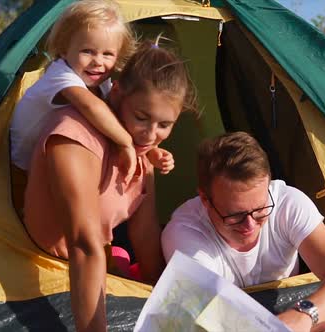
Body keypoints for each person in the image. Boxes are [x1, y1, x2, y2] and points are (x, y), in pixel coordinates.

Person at [22, 40, 195, 332]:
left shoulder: (143, 153)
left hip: (97, 264)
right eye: (141, 117)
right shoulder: (73, 135)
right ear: (116, 93)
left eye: (165, 125)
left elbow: (145, 235)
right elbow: (83, 244)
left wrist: (169, 306)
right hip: (45, 267)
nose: (150, 134)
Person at [161, 132, 325, 332]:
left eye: (261, 209)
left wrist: (305, 315)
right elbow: (215, 321)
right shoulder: (185, 234)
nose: (250, 225)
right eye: (235, 215)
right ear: (205, 199)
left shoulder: (286, 203)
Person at [10, 0, 173, 212]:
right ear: (63, 49)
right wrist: (126, 143)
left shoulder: (101, 82)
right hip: (23, 172)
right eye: (87, 51)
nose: (98, 61)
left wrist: (150, 149)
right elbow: (91, 108)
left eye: (107, 54)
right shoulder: (60, 75)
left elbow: (118, 119)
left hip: (56, 166)